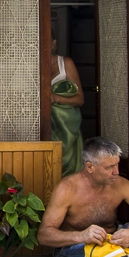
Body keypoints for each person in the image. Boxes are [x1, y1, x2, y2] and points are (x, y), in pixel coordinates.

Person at [49, 29, 84, 176]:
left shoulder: (65, 63)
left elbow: (80, 99)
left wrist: (55, 98)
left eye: (45, 41)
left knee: (69, 170)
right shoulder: (29, 66)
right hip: (46, 127)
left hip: (67, 128)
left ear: (53, 43)